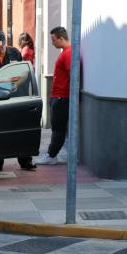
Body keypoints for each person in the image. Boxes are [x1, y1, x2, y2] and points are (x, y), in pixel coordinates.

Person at [0, 31, 37, 171]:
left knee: (21, 130)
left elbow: (24, 73)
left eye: (1, 45)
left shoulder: (14, 53)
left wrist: (14, 85)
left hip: (16, 98)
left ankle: (25, 161)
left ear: (5, 43)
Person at [35, 26, 72, 165]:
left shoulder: (68, 53)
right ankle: (51, 154)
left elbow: (72, 74)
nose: (52, 43)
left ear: (61, 38)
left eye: (54, 40)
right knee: (57, 127)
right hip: (60, 96)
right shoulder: (66, 52)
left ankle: (51, 156)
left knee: (57, 128)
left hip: (62, 97)